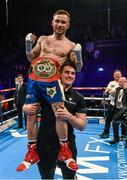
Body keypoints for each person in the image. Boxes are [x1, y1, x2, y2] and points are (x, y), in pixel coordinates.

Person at [16, 9, 83, 172]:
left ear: (68, 25)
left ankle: (65, 151)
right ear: (52, 23)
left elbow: (77, 68)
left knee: (60, 112)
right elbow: (32, 57)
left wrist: (79, 56)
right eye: (57, 21)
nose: (60, 24)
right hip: (35, 79)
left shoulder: (71, 45)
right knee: (31, 113)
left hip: (53, 83)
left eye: (63, 22)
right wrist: (27, 45)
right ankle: (31, 152)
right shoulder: (43, 39)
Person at [23, 61, 87, 179]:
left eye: (73, 73)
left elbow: (82, 126)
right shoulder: (44, 92)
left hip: (68, 144)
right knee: (46, 178)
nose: (70, 75)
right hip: (44, 144)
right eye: (67, 72)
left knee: (69, 178)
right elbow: (31, 104)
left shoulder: (78, 97)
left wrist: (69, 116)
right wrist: (24, 107)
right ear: (60, 74)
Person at [99, 70, 122, 138]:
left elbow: (118, 92)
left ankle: (122, 135)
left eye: (118, 74)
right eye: (115, 74)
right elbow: (106, 92)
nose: (116, 75)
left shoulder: (123, 82)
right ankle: (106, 133)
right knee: (108, 119)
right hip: (112, 104)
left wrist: (112, 91)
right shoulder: (111, 83)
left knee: (120, 121)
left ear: (121, 75)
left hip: (121, 105)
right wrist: (109, 92)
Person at [109, 77, 127, 146]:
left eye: (120, 82)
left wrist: (125, 89)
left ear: (125, 82)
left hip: (125, 111)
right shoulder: (117, 89)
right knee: (114, 125)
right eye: (118, 82)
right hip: (117, 110)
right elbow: (110, 92)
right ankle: (116, 139)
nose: (119, 83)